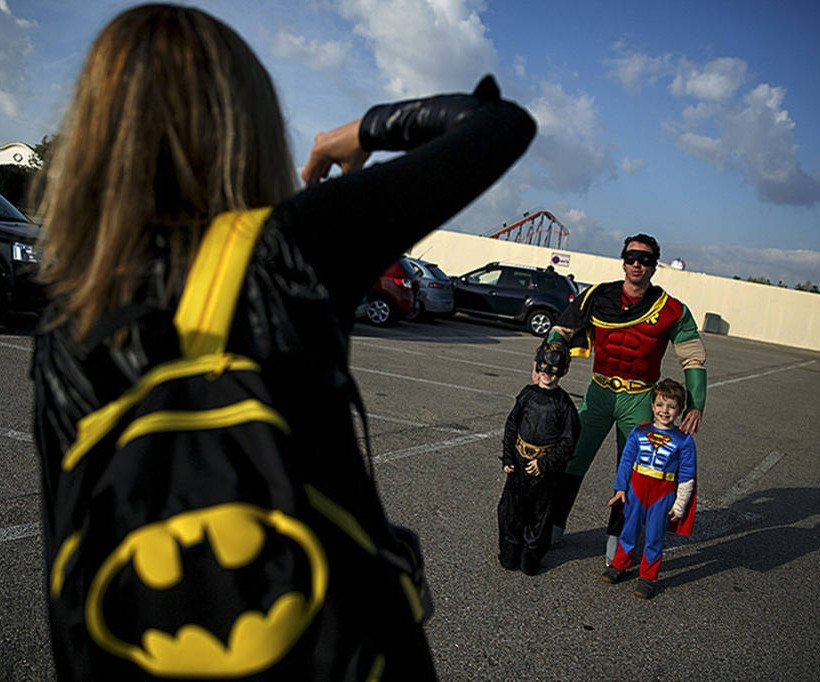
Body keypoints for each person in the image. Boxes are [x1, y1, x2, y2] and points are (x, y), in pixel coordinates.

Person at [30, 4, 536, 679]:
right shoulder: (292, 248)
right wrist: (357, 132)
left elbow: (69, 553)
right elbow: (500, 124)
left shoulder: (66, 312)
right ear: (248, 124)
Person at [546, 233, 706, 564]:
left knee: (634, 472)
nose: (637, 264)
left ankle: (618, 541)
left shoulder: (671, 309)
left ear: (654, 266)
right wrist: (544, 362)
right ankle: (553, 525)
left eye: (645, 260)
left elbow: (693, 358)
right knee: (573, 458)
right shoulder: (596, 296)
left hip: (640, 397)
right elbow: (560, 331)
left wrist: (696, 404)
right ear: (623, 261)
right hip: (599, 391)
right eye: (632, 257)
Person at [600, 378, 697, 599]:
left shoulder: (683, 440)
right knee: (628, 530)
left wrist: (680, 504)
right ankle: (619, 565)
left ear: (680, 410)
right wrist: (620, 488)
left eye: (671, 406)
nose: (665, 411)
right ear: (652, 406)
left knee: (654, 536)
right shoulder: (639, 432)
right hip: (636, 489)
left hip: (663, 493)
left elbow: (687, 475)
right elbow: (626, 461)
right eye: (660, 405)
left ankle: (647, 577)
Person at [497, 341, 580, 575]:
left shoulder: (564, 406)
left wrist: (544, 463)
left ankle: (531, 556)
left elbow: (568, 442)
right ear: (537, 365)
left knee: (540, 515)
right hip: (518, 465)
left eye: (554, 369)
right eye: (544, 366)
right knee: (510, 510)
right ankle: (511, 549)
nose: (548, 373)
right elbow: (512, 425)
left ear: (563, 370)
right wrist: (508, 457)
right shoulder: (527, 394)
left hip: (544, 472)